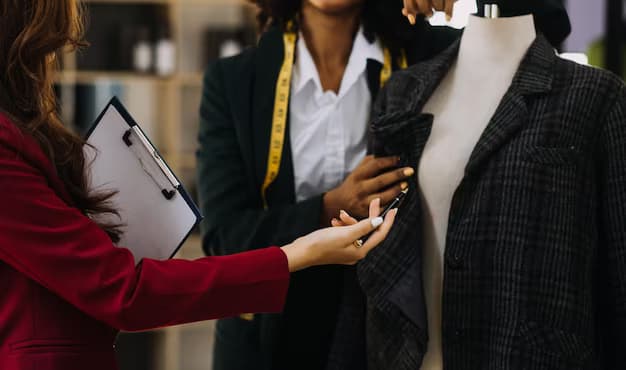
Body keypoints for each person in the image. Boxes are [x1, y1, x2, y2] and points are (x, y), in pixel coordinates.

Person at [0, 1, 397, 370]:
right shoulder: (235, 80)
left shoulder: (23, 133)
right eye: (50, 49)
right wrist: (298, 250)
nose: (52, 63)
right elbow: (127, 291)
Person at [196, 0, 460, 369]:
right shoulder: (234, 82)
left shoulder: (430, 54)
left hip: (385, 335)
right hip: (267, 342)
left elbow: (544, 22)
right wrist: (330, 207)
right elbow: (224, 238)